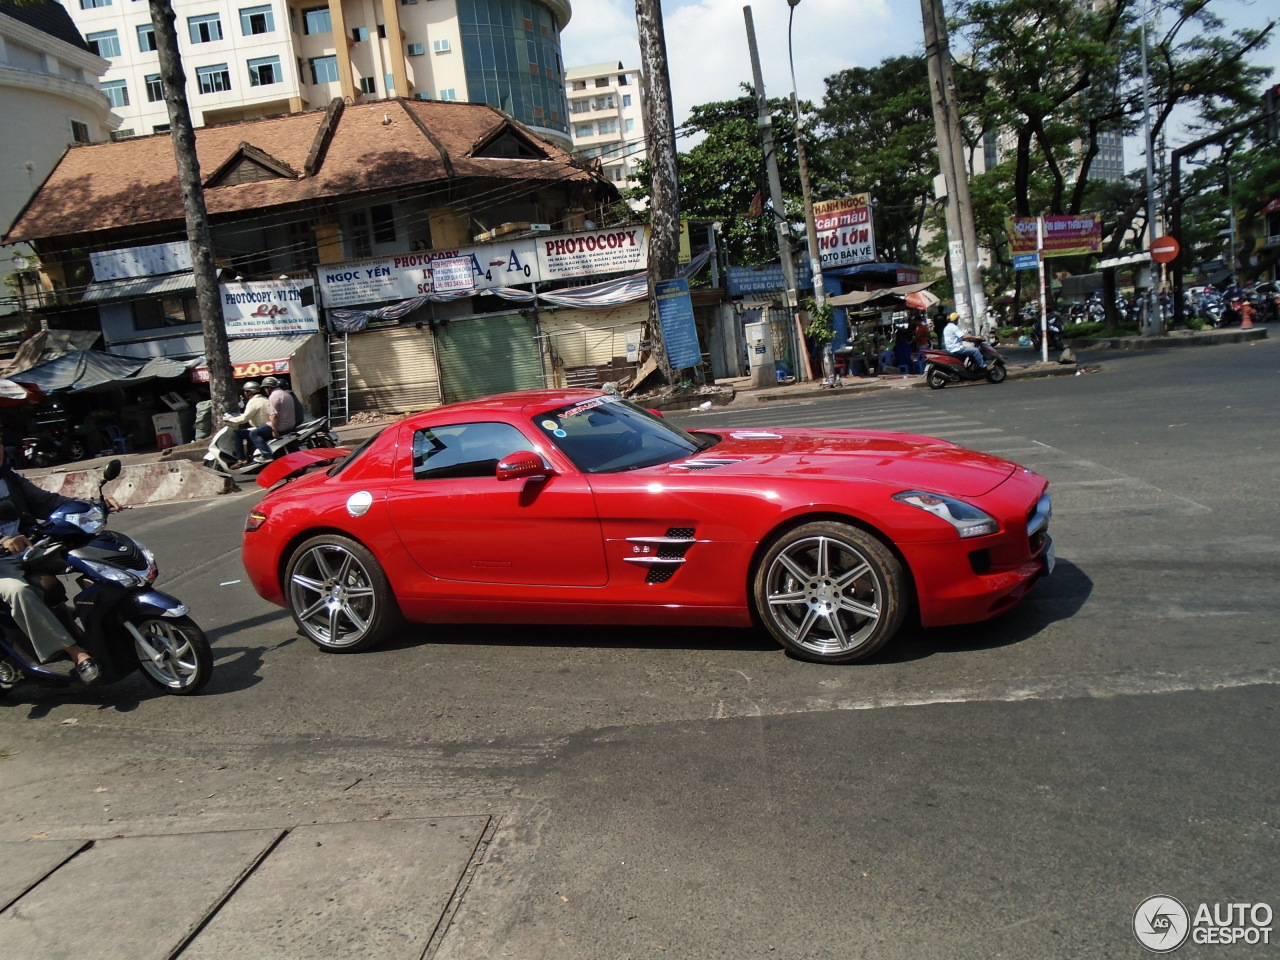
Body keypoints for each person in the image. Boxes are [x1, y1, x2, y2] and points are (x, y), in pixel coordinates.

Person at [0, 444, 121, 684]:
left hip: (29, 548)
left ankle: (107, 622)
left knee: (88, 557)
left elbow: (48, 502)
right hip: (2, 563)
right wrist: (4, 540)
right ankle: (77, 653)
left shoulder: (8, 478)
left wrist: (92, 506)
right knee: (19, 591)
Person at [222, 381, 269, 467]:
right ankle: (250, 455)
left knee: (238, 434)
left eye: (245, 391)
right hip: (266, 427)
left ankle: (241, 459)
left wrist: (229, 419)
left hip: (260, 428)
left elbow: (244, 418)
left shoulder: (253, 401)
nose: (244, 393)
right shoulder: (265, 399)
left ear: (249, 392)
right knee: (246, 432)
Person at [257, 377, 302, 463]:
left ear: (269, 387)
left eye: (265, 388)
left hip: (280, 426)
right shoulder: (286, 394)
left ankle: (266, 455)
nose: (265, 390)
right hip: (291, 424)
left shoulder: (273, 396)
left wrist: (274, 430)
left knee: (254, 433)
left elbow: (274, 416)